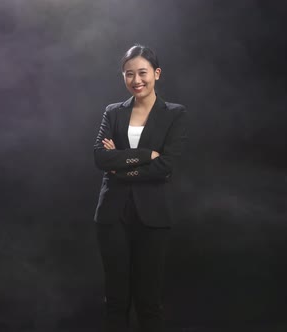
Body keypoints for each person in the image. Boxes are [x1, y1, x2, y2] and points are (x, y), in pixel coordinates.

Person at [93, 44, 188, 332]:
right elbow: (100, 157)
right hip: (112, 215)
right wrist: (147, 155)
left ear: (156, 74)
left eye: (143, 73)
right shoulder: (113, 112)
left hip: (154, 215)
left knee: (149, 300)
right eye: (129, 74)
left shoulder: (175, 114)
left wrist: (120, 167)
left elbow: (166, 165)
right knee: (115, 299)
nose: (136, 80)